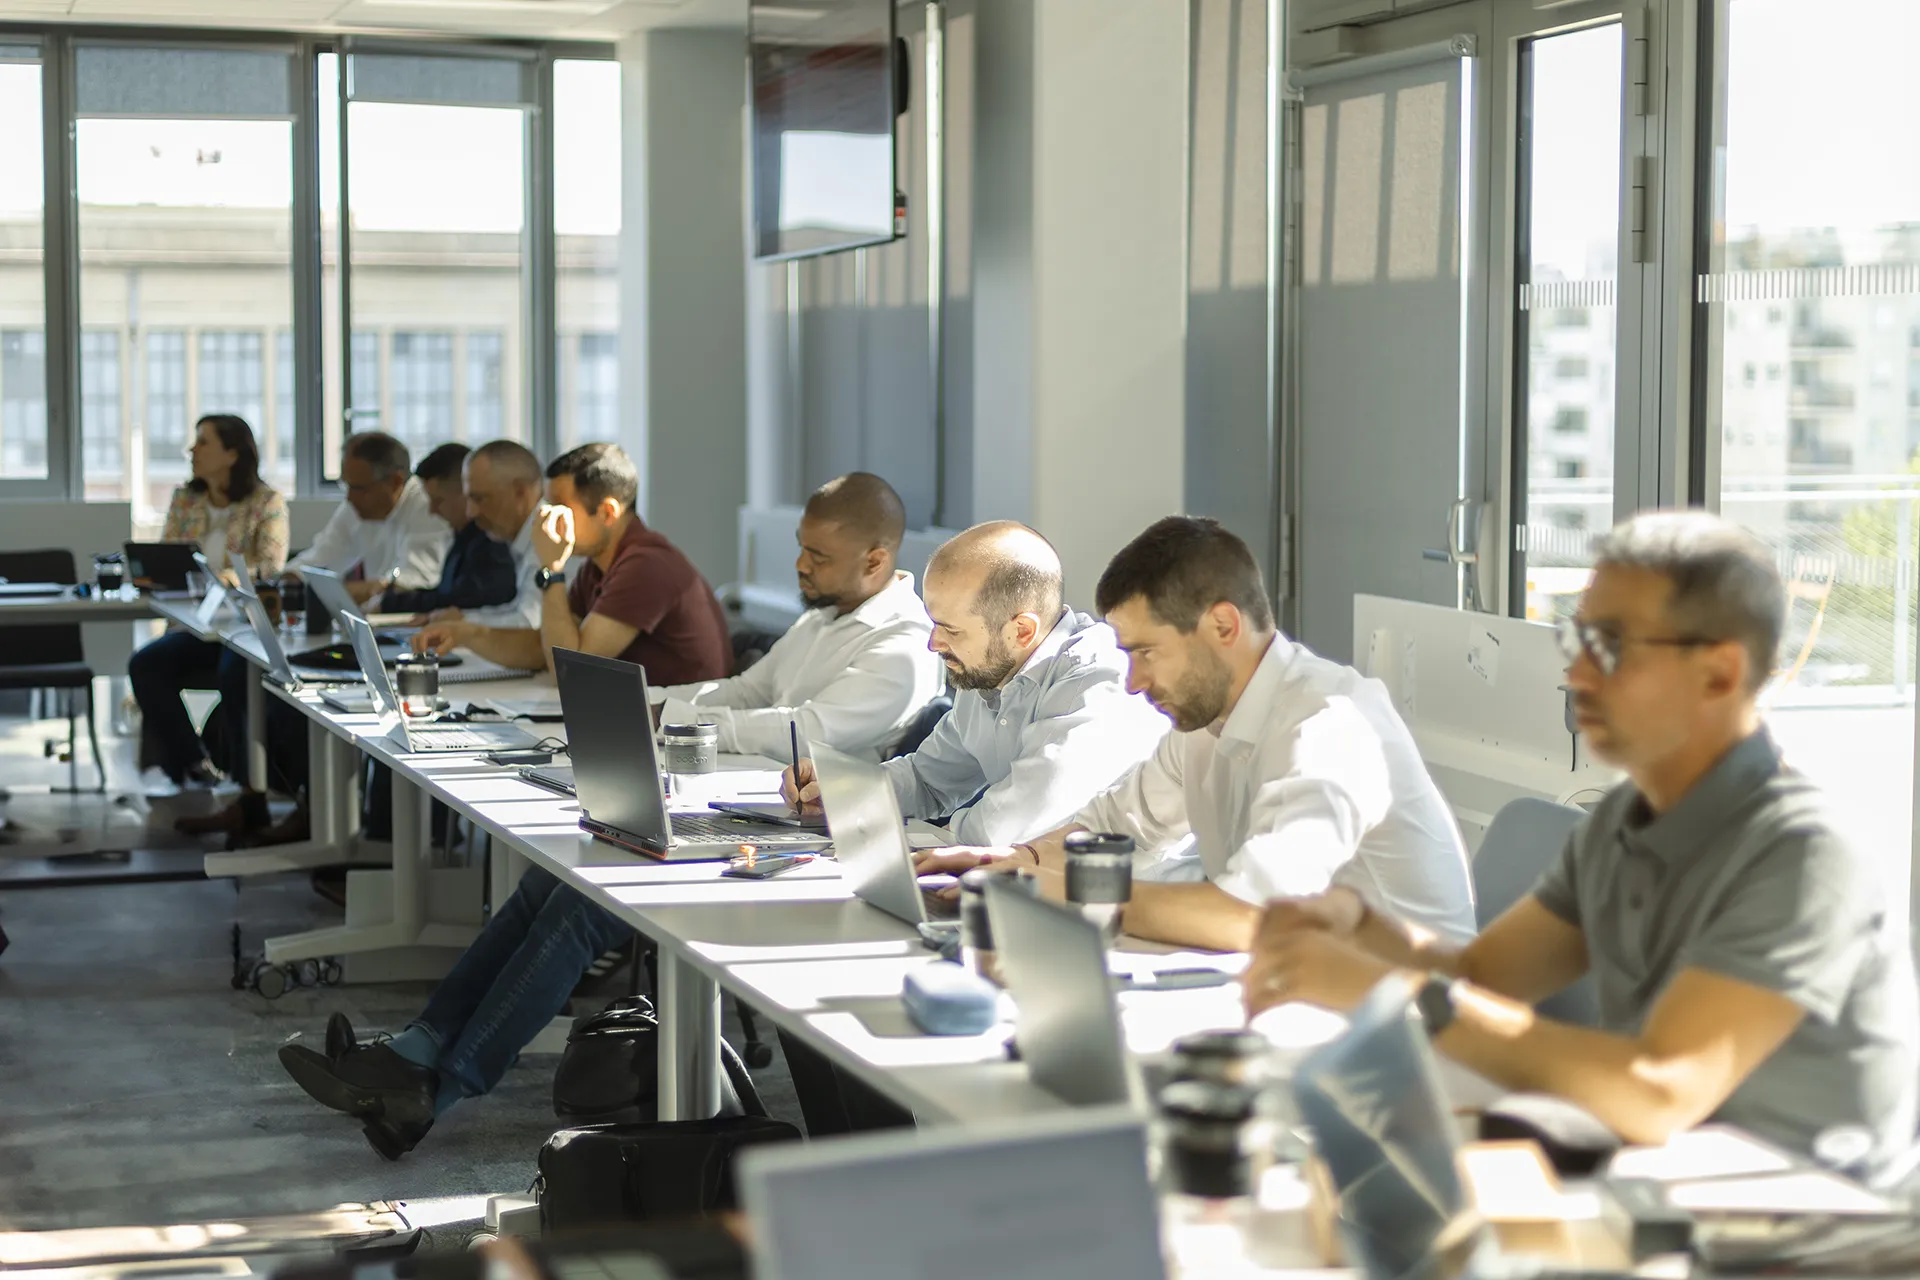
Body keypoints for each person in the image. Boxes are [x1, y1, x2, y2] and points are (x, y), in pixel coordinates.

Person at [1244, 512, 1920, 1175]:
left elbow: (1661, 1090)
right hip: (1662, 1180)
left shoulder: (1805, 856)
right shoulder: (1624, 818)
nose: (1577, 677)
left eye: (1613, 647)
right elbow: (1485, 979)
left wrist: (1391, 990)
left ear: (1719, 673)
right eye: (1578, 643)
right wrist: (1356, 926)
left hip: (1814, 1225)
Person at [917, 516, 1477, 954]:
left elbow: (1250, 914)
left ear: (1223, 627)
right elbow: (1118, 824)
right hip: (1301, 986)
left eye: (1146, 653)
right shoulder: (1207, 720)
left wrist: (1059, 889)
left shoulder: (1330, 726)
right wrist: (1012, 859)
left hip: (1404, 1023)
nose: (1133, 683)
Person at [780, 520, 1167, 841]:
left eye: (950, 629)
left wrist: (926, 843)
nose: (934, 643)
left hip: (1131, 910)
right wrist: (840, 790)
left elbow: (1010, 822)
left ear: (1021, 631)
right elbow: (928, 780)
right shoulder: (987, 669)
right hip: (1036, 890)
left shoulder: (1097, 682)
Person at [647, 472, 943, 760]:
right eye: (802, 547)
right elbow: (746, 692)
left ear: (874, 561)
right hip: (769, 785)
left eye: (819, 557)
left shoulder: (905, 643)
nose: (800, 564)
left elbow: (807, 734)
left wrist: (677, 720)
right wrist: (645, 701)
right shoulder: (823, 615)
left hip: (828, 804)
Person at [412, 442, 731, 685]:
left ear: (608, 513)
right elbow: (547, 649)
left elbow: (570, 669)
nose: (544, 518)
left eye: (559, 508)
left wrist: (552, 570)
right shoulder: (598, 563)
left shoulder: (646, 565)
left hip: (682, 738)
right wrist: (466, 634)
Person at [129, 414, 289, 787]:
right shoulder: (186, 500)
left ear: (232, 454)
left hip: (242, 627)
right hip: (195, 626)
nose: (192, 450)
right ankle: (194, 763)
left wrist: (228, 578)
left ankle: (247, 786)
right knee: (145, 664)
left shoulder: (267, 502)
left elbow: (270, 567)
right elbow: (169, 555)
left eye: (203, 442)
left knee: (236, 672)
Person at [291, 432, 450, 603]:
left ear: (396, 482)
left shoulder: (428, 505)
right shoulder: (355, 507)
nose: (349, 498)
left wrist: (356, 590)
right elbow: (320, 556)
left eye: (359, 488)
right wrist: (284, 580)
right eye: (346, 485)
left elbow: (415, 580)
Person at [377, 442, 519, 621]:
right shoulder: (463, 537)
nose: (432, 510)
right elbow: (449, 593)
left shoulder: (492, 541)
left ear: (464, 493)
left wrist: (393, 603)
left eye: (438, 501)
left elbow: (463, 599)